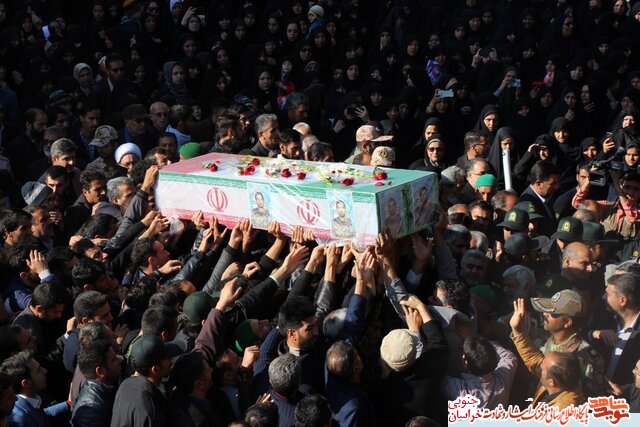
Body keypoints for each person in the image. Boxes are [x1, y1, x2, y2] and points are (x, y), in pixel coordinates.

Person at [110, 336, 183, 427]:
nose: (171, 361)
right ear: (155, 370)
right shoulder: (151, 411)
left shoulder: (126, 384)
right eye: (168, 359)